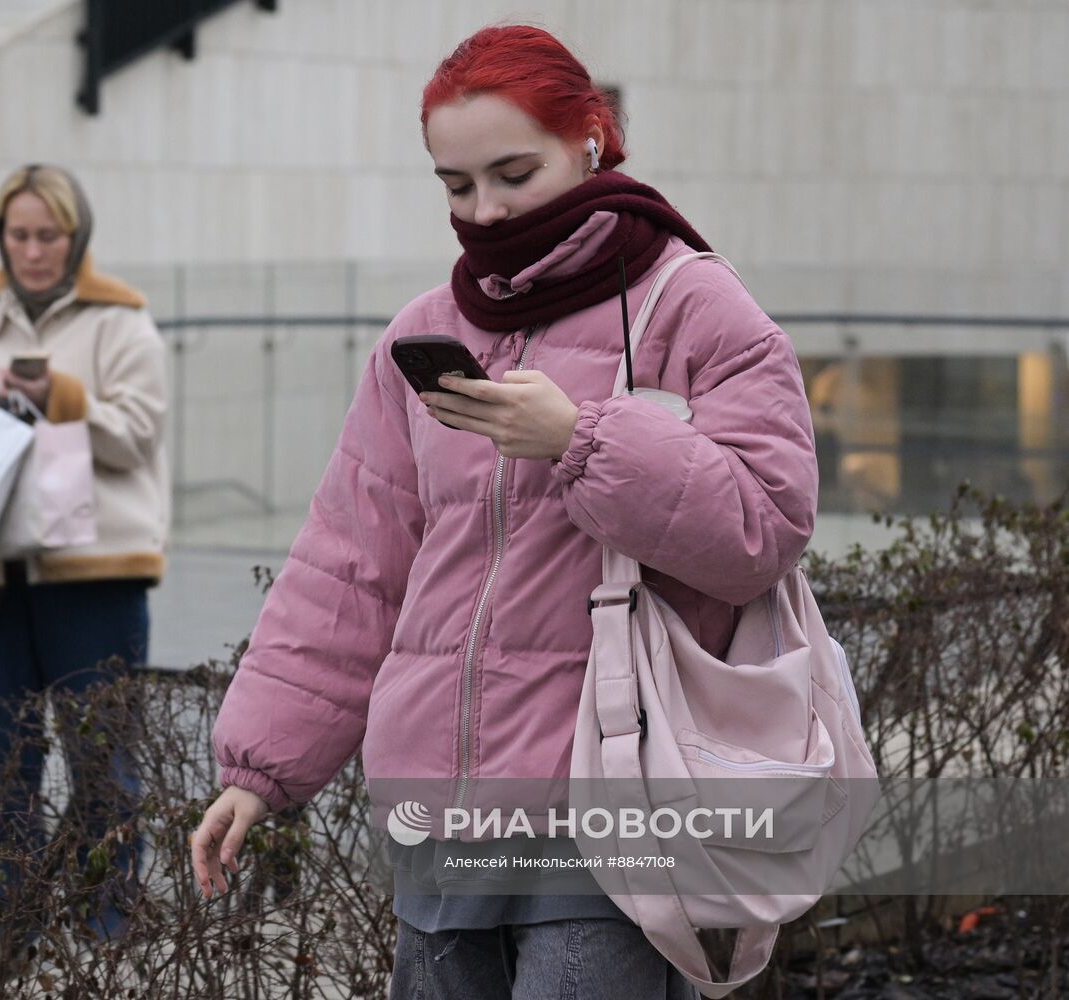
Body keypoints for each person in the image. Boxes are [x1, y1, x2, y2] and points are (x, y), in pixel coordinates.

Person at [192, 25, 817, 999]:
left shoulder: (694, 305)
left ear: (590, 138)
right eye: (455, 185)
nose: (483, 210)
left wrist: (582, 439)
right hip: (440, 815)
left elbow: (764, 527)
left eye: (513, 174)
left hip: (613, 800)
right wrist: (259, 768)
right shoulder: (425, 332)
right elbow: (351, 567)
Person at [0, 163, 169, 944]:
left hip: (95, 573)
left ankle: (108, 936)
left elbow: (139, 434)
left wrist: (61, 397)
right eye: (19, 235)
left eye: (48, 235)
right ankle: (12, 939)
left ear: (74, 236)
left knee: (103, 769)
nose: (33, 250)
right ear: (2, 237)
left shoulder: (120, 318)